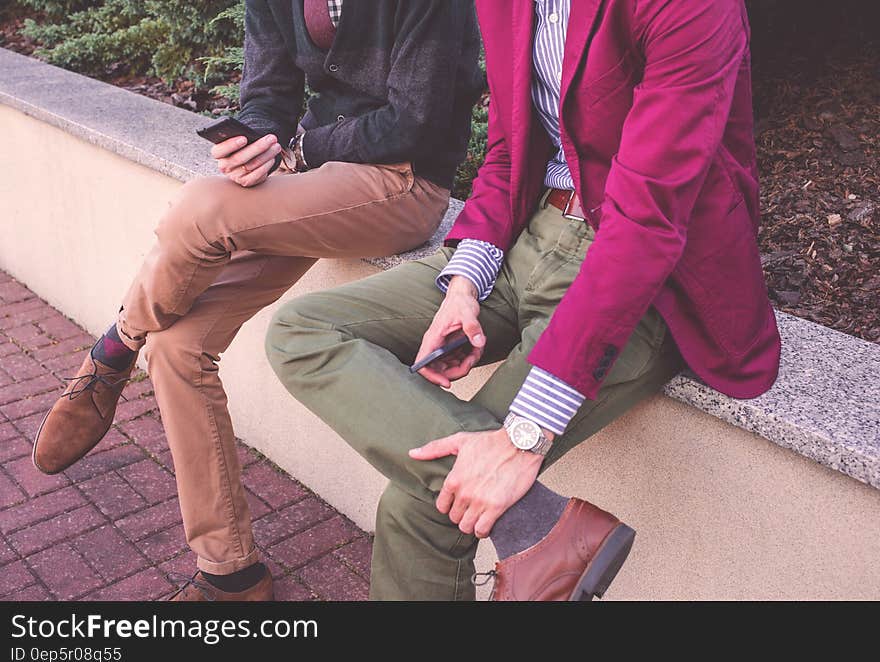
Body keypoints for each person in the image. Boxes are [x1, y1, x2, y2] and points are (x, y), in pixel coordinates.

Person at [265, 0, 782, 601]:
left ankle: (536, 526)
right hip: (531, 236)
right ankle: (538, 524)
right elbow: (510, 152)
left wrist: (525, 437)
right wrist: (464, 285)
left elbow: (647, 221)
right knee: (303, 329)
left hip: (642, 276)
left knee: (422, 512)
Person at [31, 0, 484, 601]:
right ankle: (231, 574)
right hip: (313, 181)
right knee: (178, 345)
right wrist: (256, 140)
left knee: (201, 208)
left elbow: (415, 120)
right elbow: (268, 93)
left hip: (401, 184)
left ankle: (114, 347)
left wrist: (297, 147)